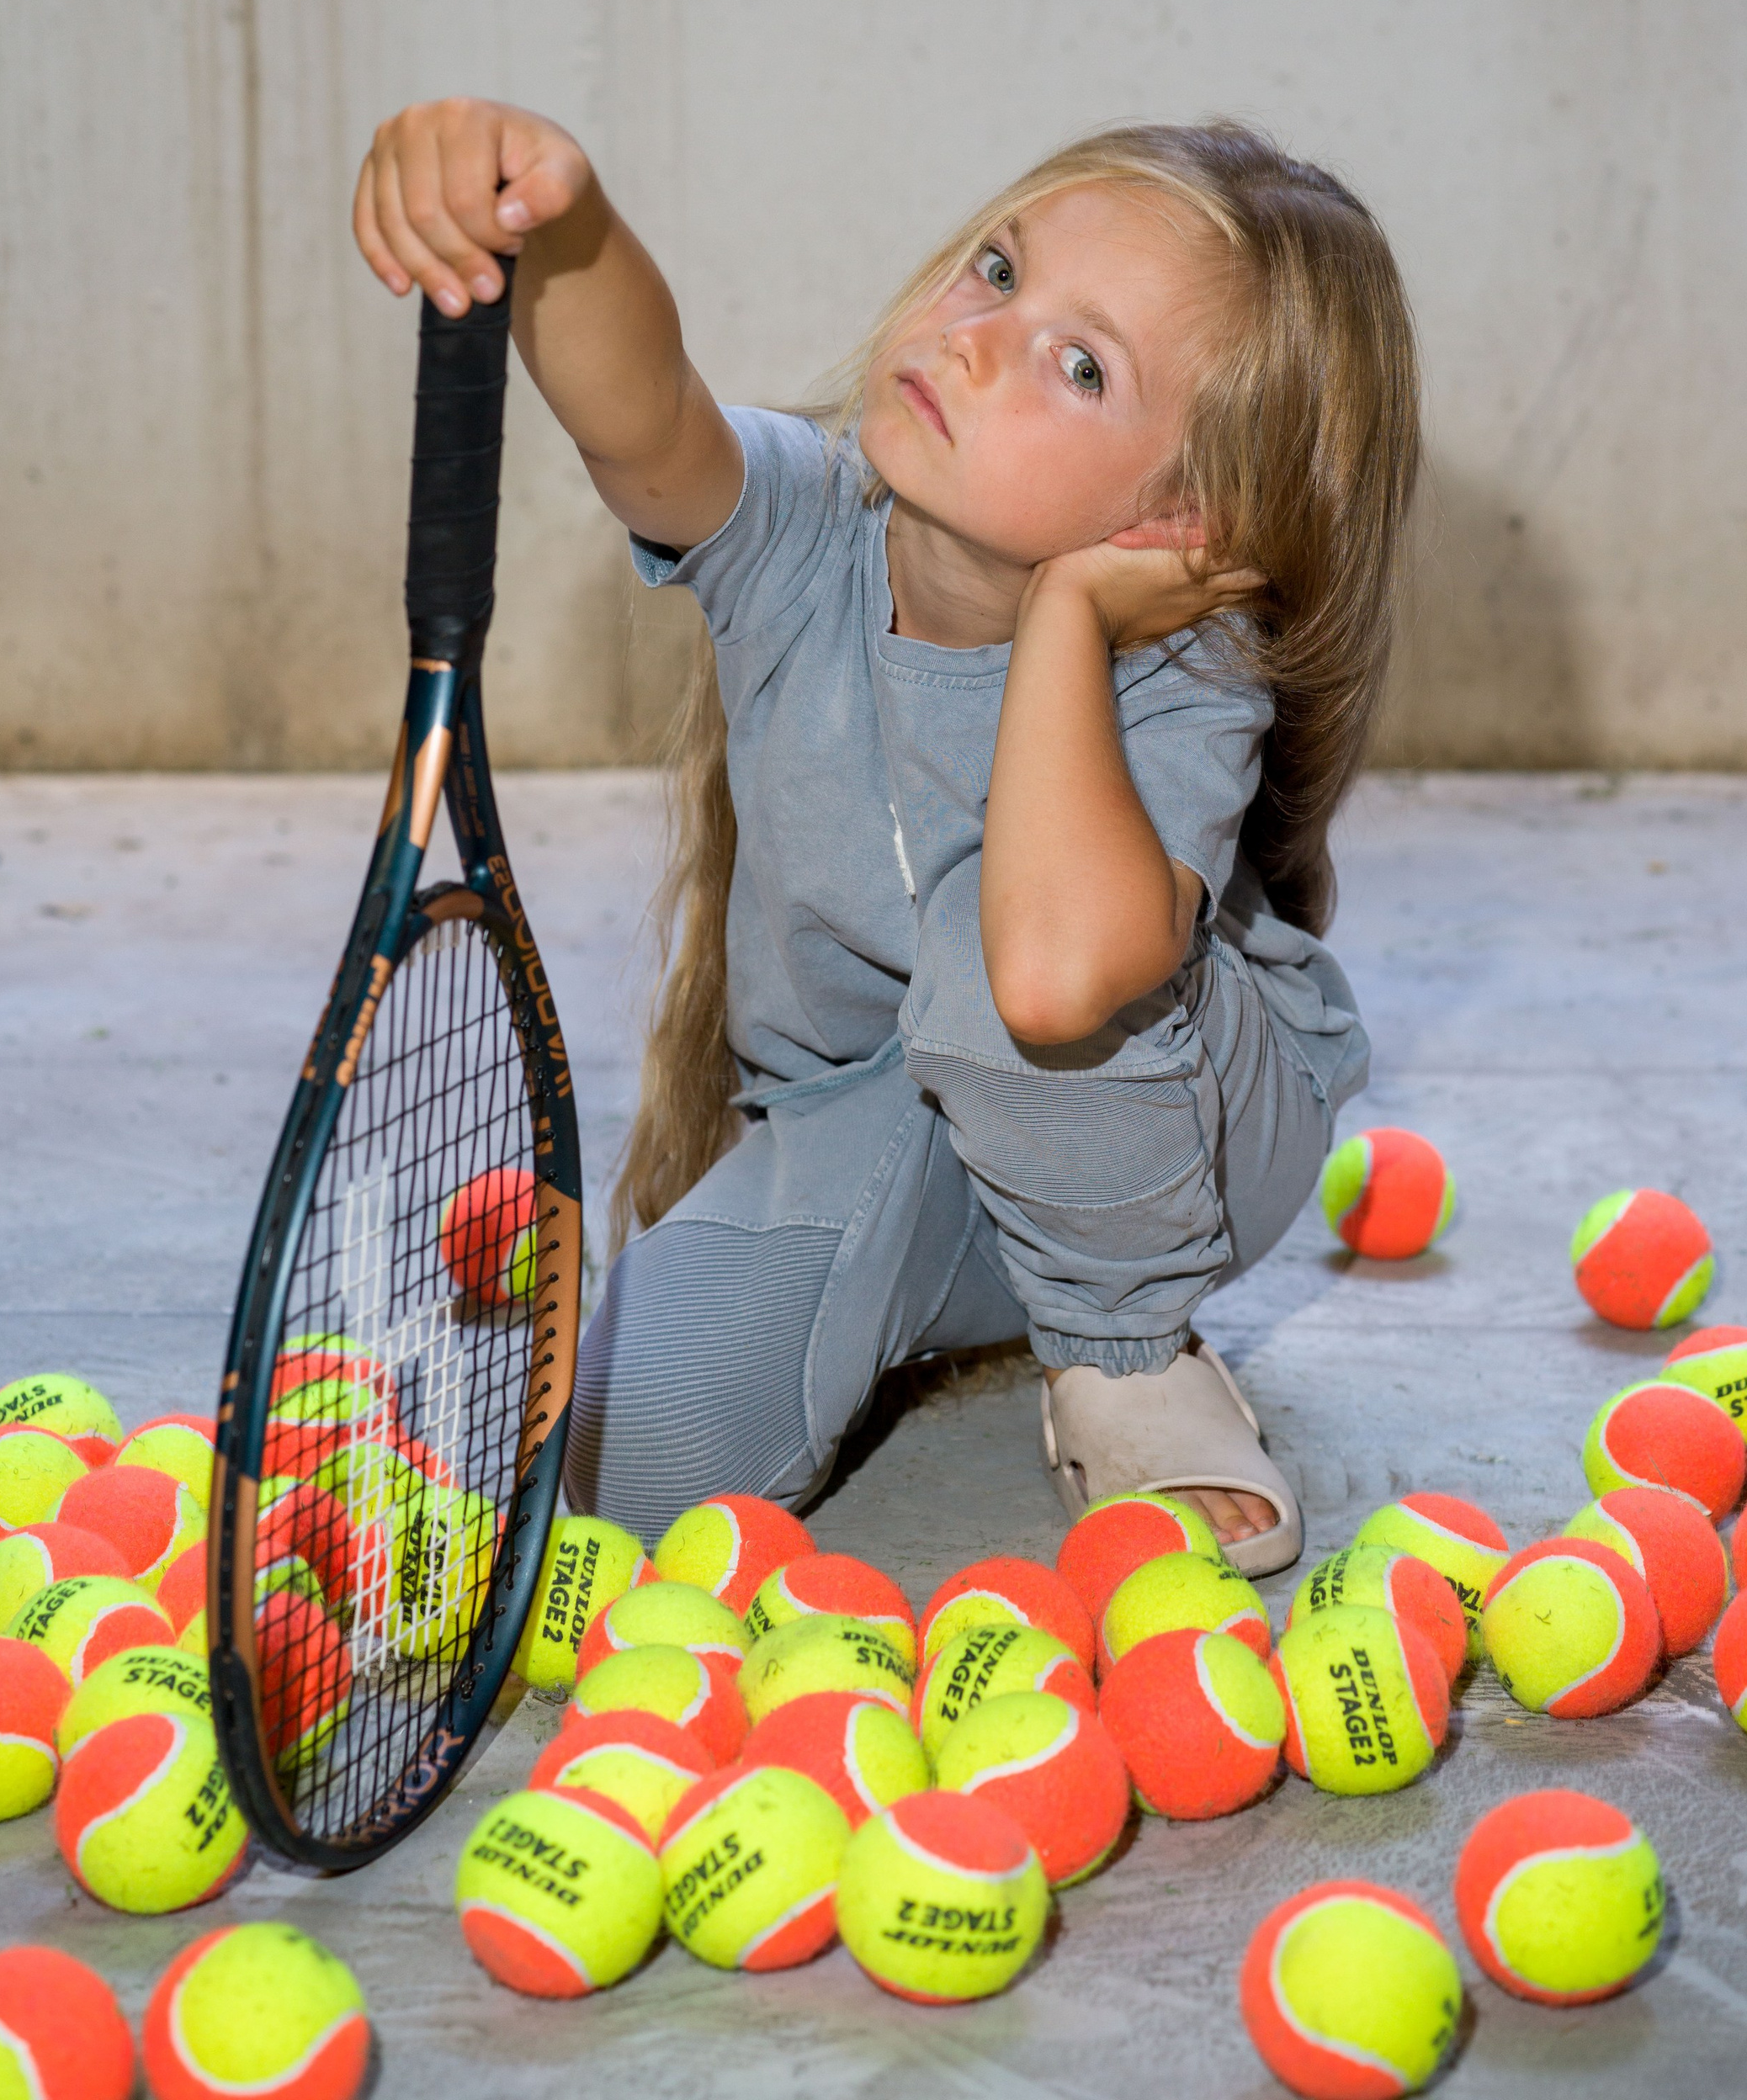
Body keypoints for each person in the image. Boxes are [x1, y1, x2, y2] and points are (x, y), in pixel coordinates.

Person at [353, 103, 1418, 1574]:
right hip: (881, 1127)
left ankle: (1121, 1353)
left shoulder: (1187, 671)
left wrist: (1067, 616)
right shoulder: (805, 532)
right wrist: (562, 222)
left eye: (1082, 364)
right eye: (997, 270)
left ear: (1185, 520)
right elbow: (645, 412)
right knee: (644, 1475)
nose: (979, 336)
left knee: (1000, 959)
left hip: (1164, 1147)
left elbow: (1049, 982)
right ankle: (947, 1303)